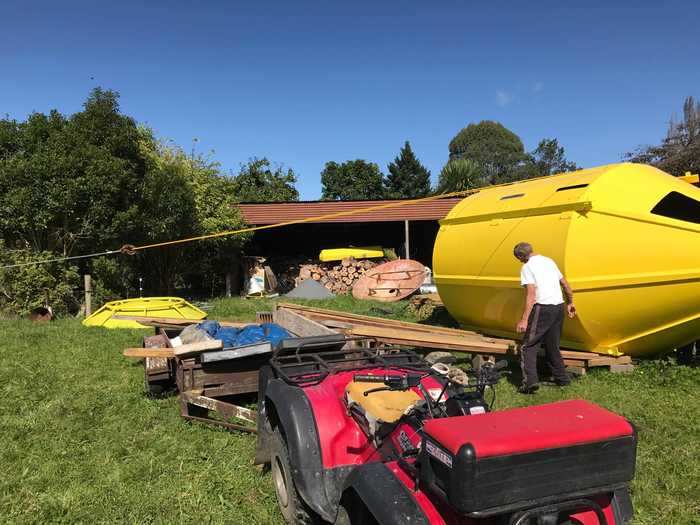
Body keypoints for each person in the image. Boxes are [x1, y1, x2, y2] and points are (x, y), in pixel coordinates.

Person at [513, 242, 576, 394]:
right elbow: (565, 285)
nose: (520, 261)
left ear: (521, 256)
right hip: (558, 307)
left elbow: (531, 294)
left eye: (518, 258)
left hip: (542, 308)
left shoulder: (527, 267)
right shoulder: (549, 261)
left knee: (528, 346)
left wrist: (524, 319)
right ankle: (562, 379)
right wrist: (570, 302)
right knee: (552, 345)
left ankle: (530, 382)